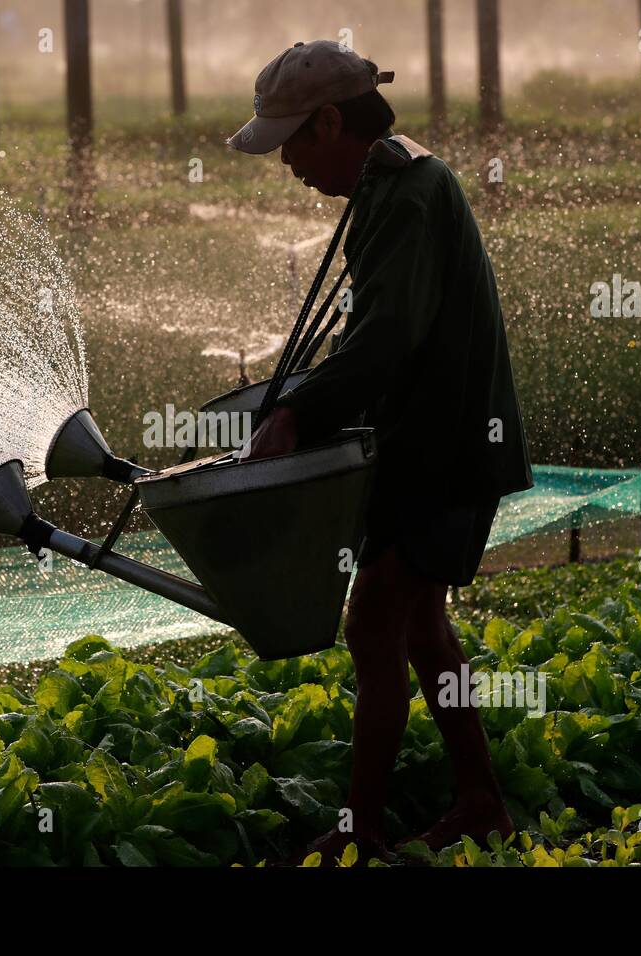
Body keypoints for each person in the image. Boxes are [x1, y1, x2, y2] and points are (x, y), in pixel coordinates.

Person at [229, 40, 534, 863]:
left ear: (331, 121)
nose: (287, 160)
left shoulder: (406, 191)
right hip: (423, 443)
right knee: (424, 630)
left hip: (448, 449)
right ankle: (479, 801)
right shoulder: (390, 186)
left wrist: (294, 413)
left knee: (373, 625)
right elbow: (380, 336)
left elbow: (390, 337)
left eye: (293, 140)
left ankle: (360, 831)